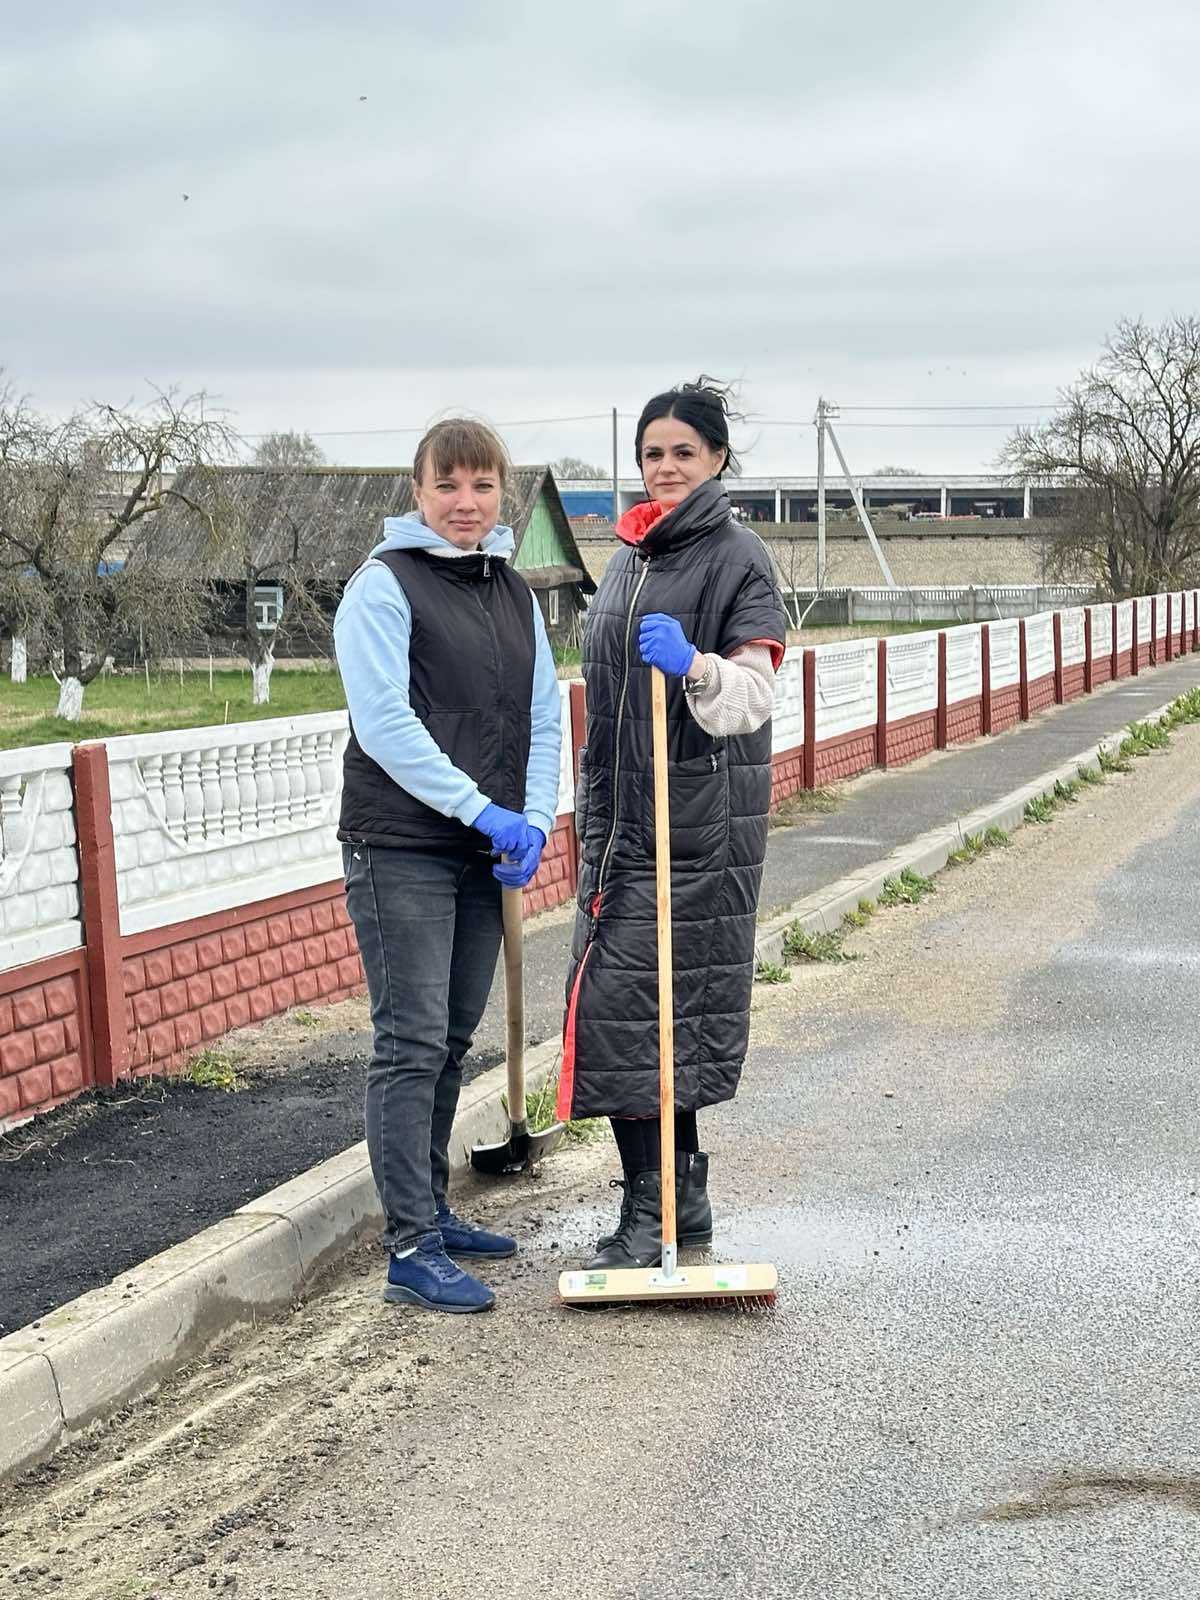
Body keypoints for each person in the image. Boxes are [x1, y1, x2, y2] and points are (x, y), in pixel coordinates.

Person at [556, 379, 787, 1268]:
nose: (666, 467)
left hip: (693, 832)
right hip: (622, 826)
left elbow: (753, 696)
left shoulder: (738, 557)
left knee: (639, 1014)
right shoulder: (630, 557)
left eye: (684, 452)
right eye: (653, 453)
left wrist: (695, 664)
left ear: (718, 458)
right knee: (640, 1021)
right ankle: (680, 1207)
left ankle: (653, 1212)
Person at [335, 419, 561, 1314]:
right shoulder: (383, 585)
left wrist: (533, 819)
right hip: (401, 847)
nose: (466, 503)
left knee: (453, 1040)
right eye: (448, 485)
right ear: (418, 492)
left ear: (503, 492)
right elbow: (386, 725)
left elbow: (543, 713)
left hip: (481, 849)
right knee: (410, 1042)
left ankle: (432, 1208)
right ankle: (410, 1247)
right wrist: (481, 810)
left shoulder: (511, 589)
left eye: (483, 486)